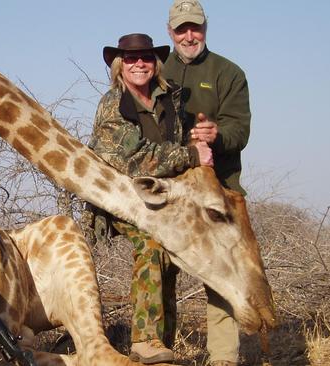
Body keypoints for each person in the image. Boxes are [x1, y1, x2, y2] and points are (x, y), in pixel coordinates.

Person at [89, 33, 213, 364]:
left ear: (155, 62)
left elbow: (175, 139)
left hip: (159, 196)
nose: (139, 63)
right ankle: (144, 338)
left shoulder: (168, 99)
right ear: (120, 65)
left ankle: (163, 346)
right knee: (151, 245)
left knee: (171, 257)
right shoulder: (112, 102)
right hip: (120, 196)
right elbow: (133, 160)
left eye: (145, 57)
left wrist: (199, 138)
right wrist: (191, 155)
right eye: (131, 59)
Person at [162, 1, 252, 365]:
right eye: (181, 29)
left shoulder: (228, 73)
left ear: (206, 28)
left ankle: (223, 358)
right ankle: (159, 352)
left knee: (220, 276)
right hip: (170, 193)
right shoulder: (154, 68)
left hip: (218, 189)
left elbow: (240, 129)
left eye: (195, 28)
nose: (189, 36)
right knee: (159, 272)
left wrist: (218, 133)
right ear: (170, 32)